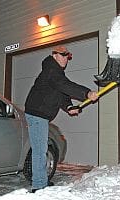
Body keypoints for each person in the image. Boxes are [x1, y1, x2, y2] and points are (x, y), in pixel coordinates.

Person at [24, 45, 99, 193]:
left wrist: (70, 107)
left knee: (41, 149)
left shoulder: (56, 72)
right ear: (54, 55)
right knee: (40, 150)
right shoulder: (51, 70)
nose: (66, 59)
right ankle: (39, 186)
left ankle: (41, 181)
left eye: (68, 56)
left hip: (40, 115)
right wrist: (87, 93)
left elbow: (62, 93)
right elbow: (64, 85)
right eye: (63, 55)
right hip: (37, 114)